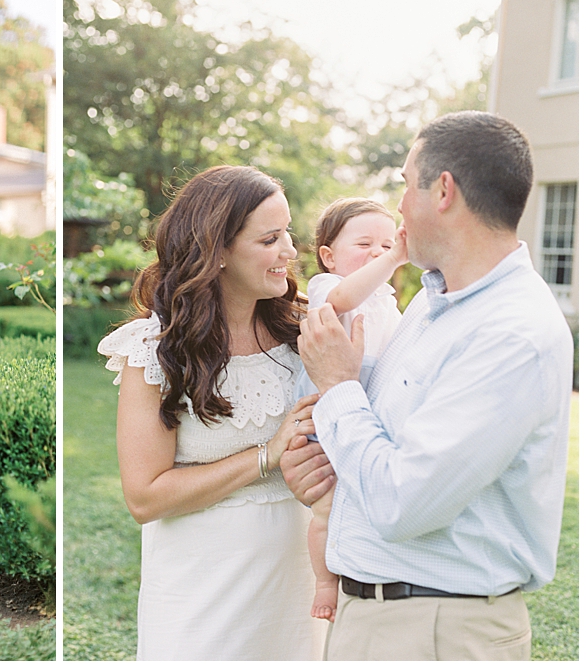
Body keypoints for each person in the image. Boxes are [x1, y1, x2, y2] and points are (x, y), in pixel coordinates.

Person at [282, 111, 573, 660]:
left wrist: (338, 386)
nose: (398, 208)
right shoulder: (432, 303)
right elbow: (383, 442)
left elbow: (404, 504)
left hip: (435, 632)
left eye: (403, 185)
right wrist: (323, 465)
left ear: (442, 190)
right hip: (371, 616)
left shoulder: (511, 333)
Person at [98, 165, 326, 660]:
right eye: (270, 239)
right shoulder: (155, 349)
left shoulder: (305, 331)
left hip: (298, 582)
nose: (290, 251)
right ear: (216, 250)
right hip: (200, 591)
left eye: (288, 232)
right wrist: (267, 454)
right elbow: (145, 497)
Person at [293, 197, 408, 621]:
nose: (377, 254)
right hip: (326, 415)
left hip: (368, 413)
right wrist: (396, 256)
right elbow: (343, 299)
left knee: (361, 500)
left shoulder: (386, 298)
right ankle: (325, 583)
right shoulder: (328, 286)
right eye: (365, 244)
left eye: (385, 245)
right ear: (328, 255)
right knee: (325, 505)